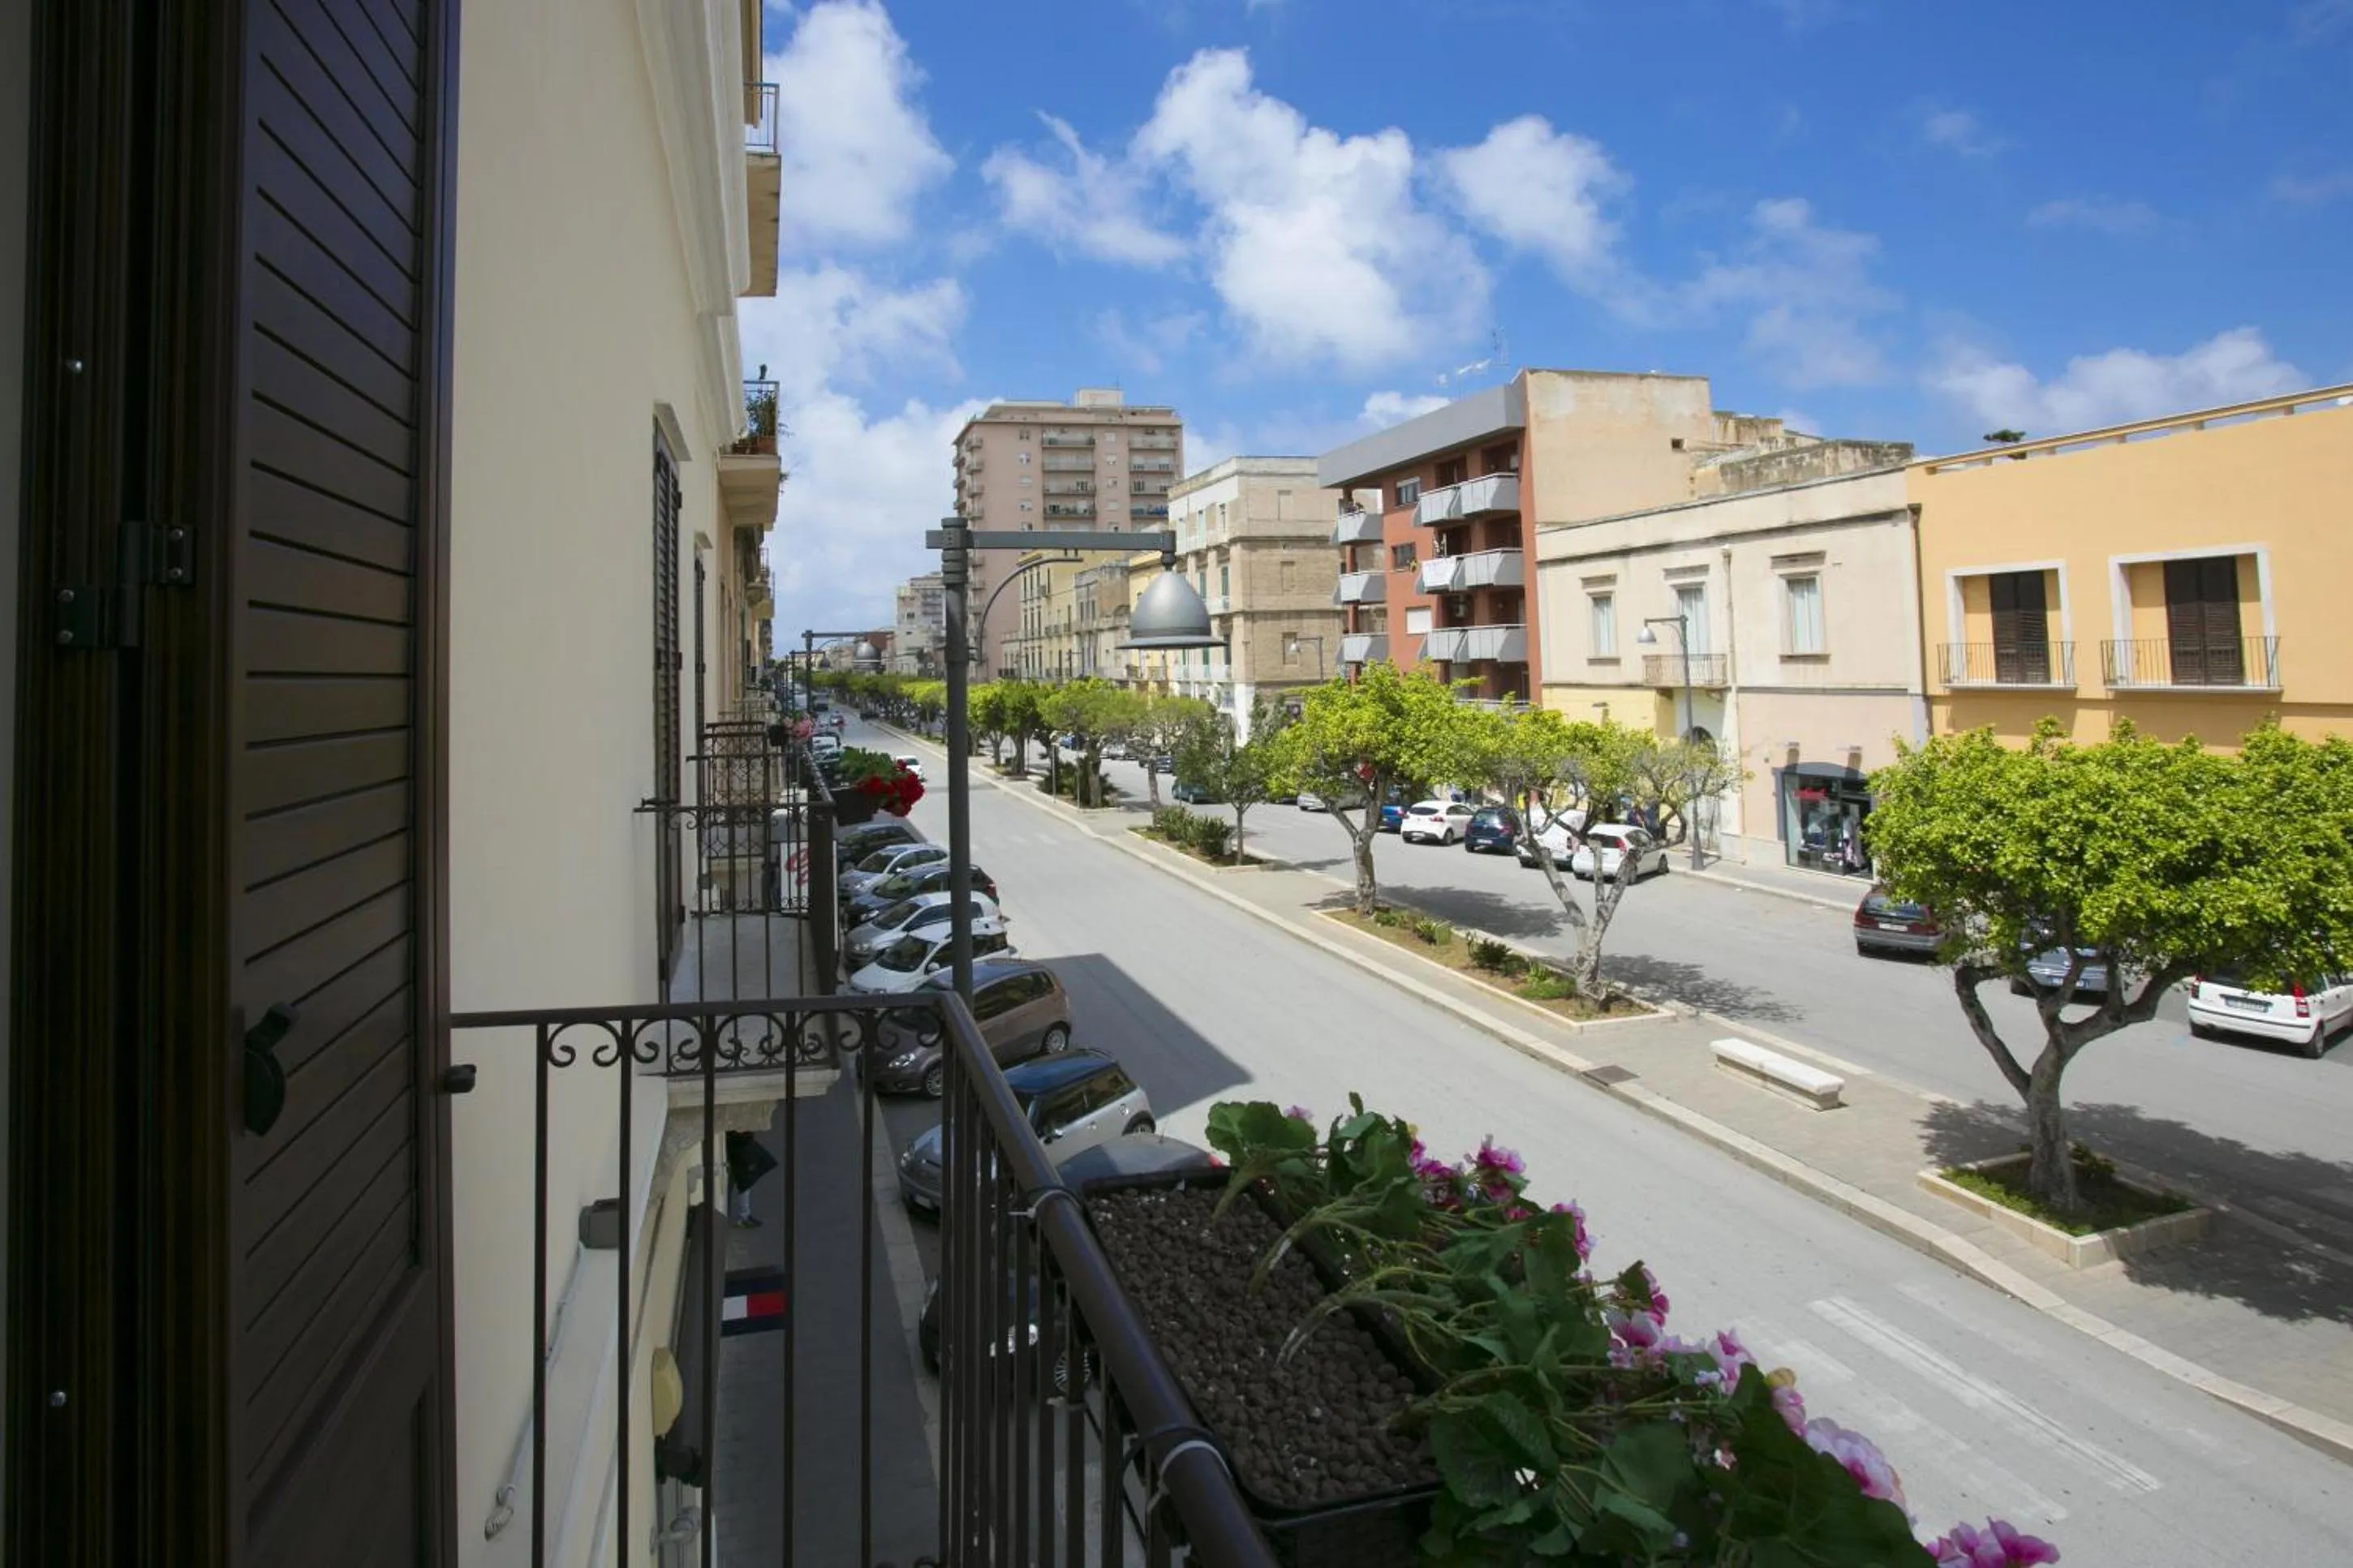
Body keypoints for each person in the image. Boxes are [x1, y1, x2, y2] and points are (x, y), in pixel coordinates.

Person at [725, 1129, 777, 1229]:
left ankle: (744, 1215)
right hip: (740, 1145)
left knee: (744, 1181)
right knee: (744, 1181)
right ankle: (744, 1217)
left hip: (741, 1144)